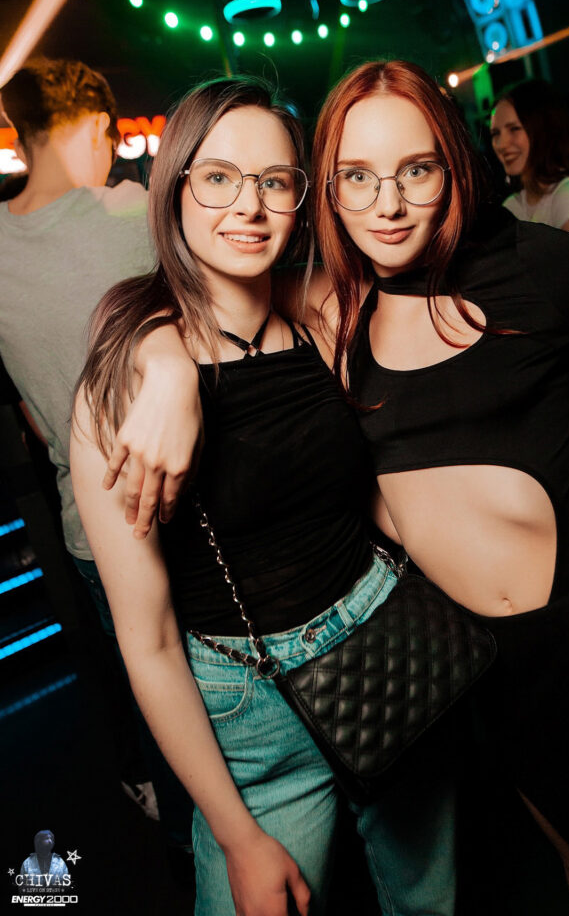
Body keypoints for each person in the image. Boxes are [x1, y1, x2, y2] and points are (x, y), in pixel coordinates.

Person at [70, 75, 459, 916]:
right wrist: (236, 835)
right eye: (217, 177)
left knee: (427, 900)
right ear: (173, 187)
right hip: (251, 705)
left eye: (274, 182)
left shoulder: (320, 312)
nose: (247, 206)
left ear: (299, 199)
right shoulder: (121, 386)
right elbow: (148, 640)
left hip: (384, 647)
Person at [308, 60, 569, 916]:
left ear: (452, 164)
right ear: (328, 189)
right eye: (356, 177)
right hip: (499, 671)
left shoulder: (529, 263)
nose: (387, 204)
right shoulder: (334, 317)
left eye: (414, 169)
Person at [0, 57, 192, 839]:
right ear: (95, 128)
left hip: (91, 528)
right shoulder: (129, 212)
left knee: (160, 705)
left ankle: (185, 845)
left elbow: (38, 419)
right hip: (187, 508)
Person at [491, 78, 569, 249]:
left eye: (514, 129)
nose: (502, 144)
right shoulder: (511, 206)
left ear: (543, 128)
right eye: (495, 134)